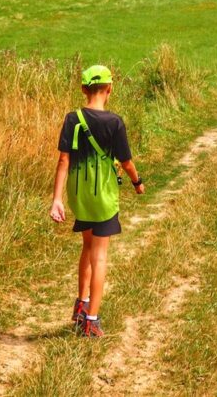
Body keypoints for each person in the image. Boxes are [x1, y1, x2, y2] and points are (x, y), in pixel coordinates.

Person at [50, 64, 144, 338]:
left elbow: (63, 160)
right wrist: (137, 183)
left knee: (87, 248)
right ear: (110, 89)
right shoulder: (114, 122)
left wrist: (57, 199)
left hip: (79, 196)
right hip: (102, 198)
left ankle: (81, 304)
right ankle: (92, 320)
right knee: (100, 256)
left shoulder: (72, 118)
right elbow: (125, 162)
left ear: (83, 89)